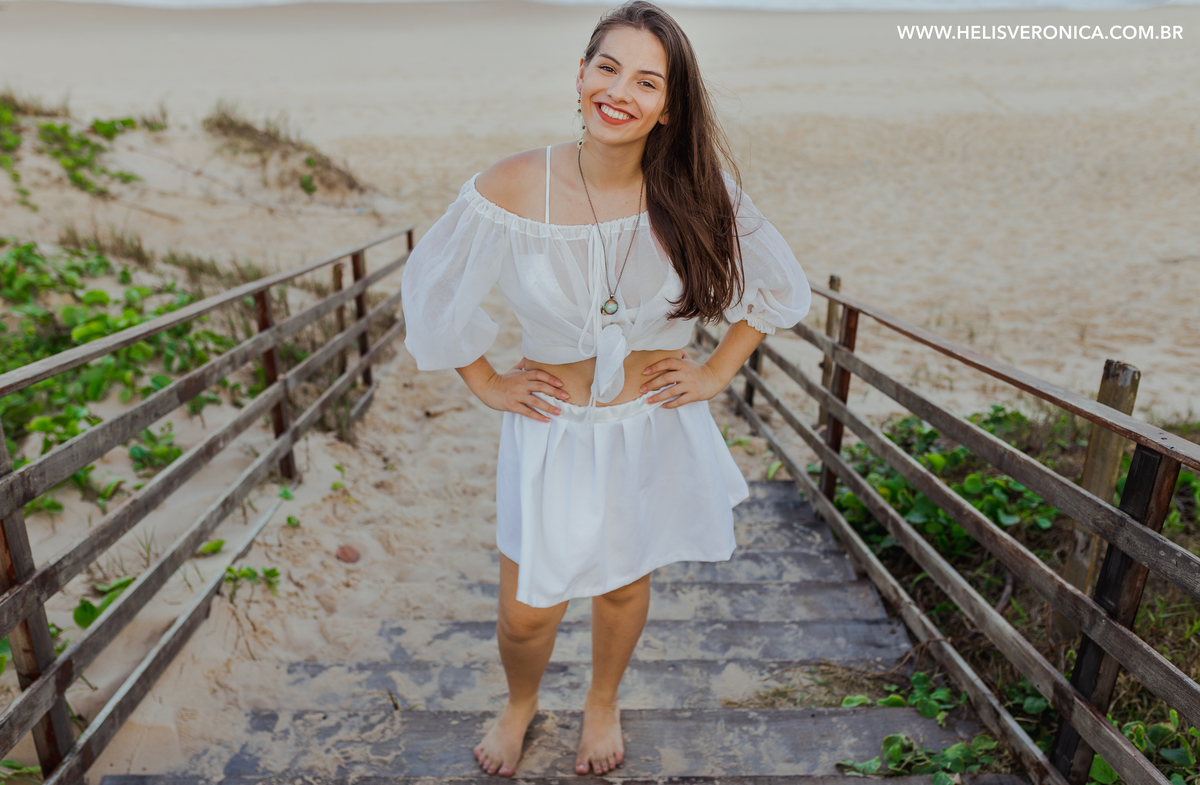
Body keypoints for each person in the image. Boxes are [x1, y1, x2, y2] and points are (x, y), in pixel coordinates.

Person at [400, 0, 811, 776]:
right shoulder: (515, 184)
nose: (620, 90)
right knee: (527, 613)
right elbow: (433, 289)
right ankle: (520, 702)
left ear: (668, 107)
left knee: (622, 589)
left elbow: (778, 288)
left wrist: (717, 369)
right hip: (549, 429)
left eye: (647, 81)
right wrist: (486, 381)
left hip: (645, 426)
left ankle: (601, 700)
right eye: (607, 67)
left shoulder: (696, 190)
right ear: (580, 75)